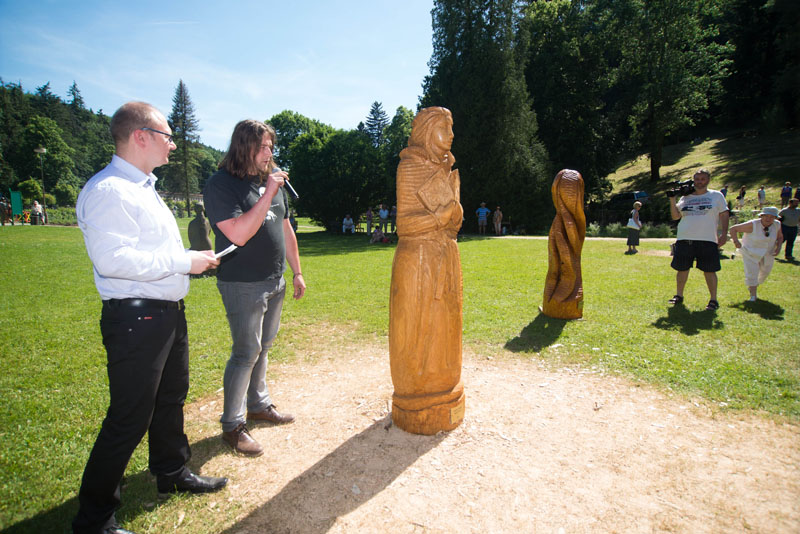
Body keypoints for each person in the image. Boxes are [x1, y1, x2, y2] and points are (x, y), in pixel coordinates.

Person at [73, 102, 226, 534]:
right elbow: (111, 259)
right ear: (140, 136)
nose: (173, 143)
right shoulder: (109, 190)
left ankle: (171, 472)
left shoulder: (142, 188)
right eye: (166, 135)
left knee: (170, 397)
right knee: (129, 416)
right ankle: (94, 518)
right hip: (137, 318)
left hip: (165, 314)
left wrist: (185, 263)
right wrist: (183, 260)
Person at [203, 119, 305, 457]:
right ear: (243, 146)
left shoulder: (268, 182)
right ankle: (232, 426)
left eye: (271, 147)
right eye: (262, 147)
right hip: (242, 284)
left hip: (274, 280)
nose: (269, 153)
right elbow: (239, 233)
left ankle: (258, 405)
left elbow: (286, 230)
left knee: (264, 347)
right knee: (246, 351)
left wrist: (297, 272)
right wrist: (270, 192)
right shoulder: (222, 185)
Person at [668, 168, 729, 310]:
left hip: (707, 239)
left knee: (709, 270)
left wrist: (724, 233)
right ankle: (679, 295)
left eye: (702, 179)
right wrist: (672, 199)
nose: (699, 182)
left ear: (708, 180)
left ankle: (713, 300)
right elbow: (675, 216)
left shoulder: (716, 196)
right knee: (682, 268)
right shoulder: (685, 197)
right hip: (685, 238)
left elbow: (724, 215)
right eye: (697, 179)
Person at [730, 207, 782, 301]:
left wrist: (778, 248)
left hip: (767, 253)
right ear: (761, 216)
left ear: (775, 218)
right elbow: (733, 229)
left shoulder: (777, 225)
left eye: (771, 217)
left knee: (765, 271)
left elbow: (780, 237)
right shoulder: (753, 224)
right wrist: (736, 241)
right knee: (752, 272)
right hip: (750, 252)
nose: (768, 219)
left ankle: (753, 284)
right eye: (766, 216)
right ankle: (753, 295)